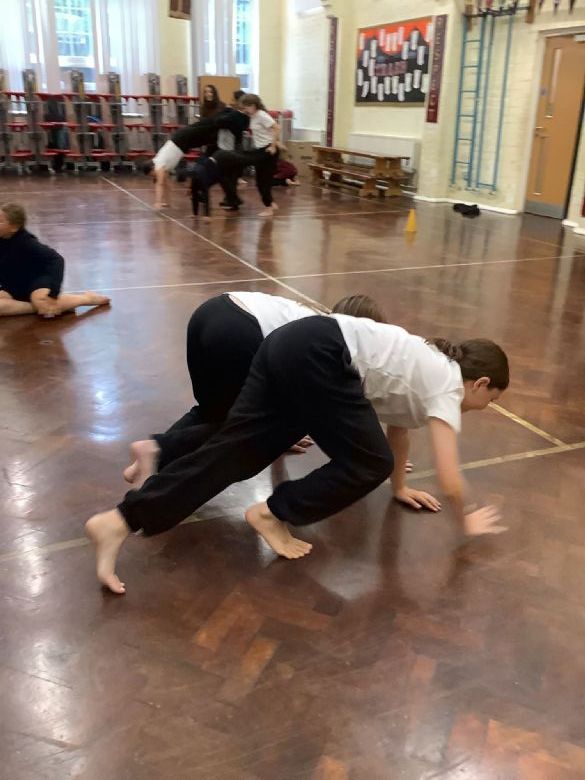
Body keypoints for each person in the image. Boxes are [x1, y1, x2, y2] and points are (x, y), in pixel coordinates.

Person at [86, 313, 509, 594]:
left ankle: (120, 520)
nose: (485, 408)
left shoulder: (428, 372)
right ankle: (273, 514)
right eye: (491, 400)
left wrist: (399, 487)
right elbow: (450, 477)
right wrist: (466, 519)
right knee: (371, 462)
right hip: (319, 352)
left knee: (238, 451)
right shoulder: (446, 384)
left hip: (292, 343)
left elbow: (399, 431)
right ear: (480, 383)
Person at [122, 291, 388, 487]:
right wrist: (368, 448)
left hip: (211, 313)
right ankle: (157, 449)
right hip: (239, 331)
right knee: (246, 431)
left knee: (214, 413)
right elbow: (324, 412)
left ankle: (149, 463)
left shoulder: (317, 320)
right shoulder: (333, 348)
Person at [0, 203, 110, 317]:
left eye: (0, 221)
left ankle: (86, 299)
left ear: (14, 227)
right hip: (14, 285)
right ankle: (50, 307)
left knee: (40, 301)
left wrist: (53, 294)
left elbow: (57, 260)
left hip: (37, 281)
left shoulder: (27, 242)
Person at [238, 94, 280, 217]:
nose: (245, 110)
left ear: (253, 105)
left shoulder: (262, 115)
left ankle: (268, 208)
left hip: (267, 150)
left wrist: (273, 146)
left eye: (246, 107)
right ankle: (271, 203)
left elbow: (277, 128)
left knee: (263, 181)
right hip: (260, 149)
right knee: (261, 180)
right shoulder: (253, 116)